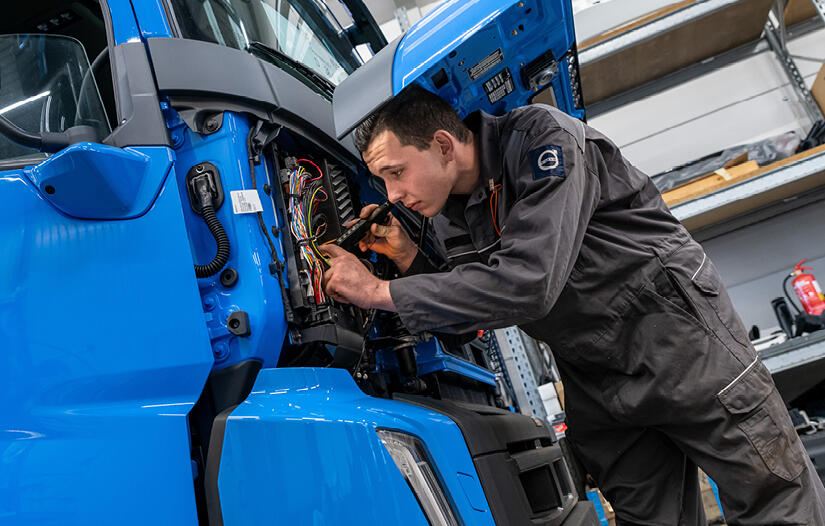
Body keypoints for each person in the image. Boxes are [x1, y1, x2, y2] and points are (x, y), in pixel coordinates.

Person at [320, 85, 825, 524]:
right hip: (595, 377)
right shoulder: (446, 214)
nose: (392, 193)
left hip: (680, 345)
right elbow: (467, 324)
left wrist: (377, 292)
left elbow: (528, 283)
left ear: (444, 145)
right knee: (647, 519)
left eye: (396, 172)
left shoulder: (543, 138)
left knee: (775, 503)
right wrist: (407, 257)